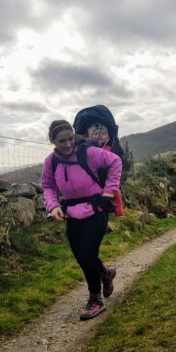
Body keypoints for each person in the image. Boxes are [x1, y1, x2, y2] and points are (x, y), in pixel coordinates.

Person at [41, 120, 122, 320]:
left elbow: (115, 162)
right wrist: (53, 206)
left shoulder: (88, 152)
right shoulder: (51, 162)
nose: (68, 144)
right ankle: (105, 273)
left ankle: (95, 300)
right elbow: (48, 186)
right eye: (62, 141)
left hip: (96, 209)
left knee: (86, 255)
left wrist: (109, 192)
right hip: (71, 212)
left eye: (70, 139)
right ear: (52, 141)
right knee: (81, 256)